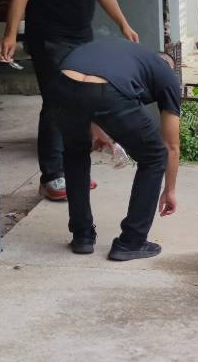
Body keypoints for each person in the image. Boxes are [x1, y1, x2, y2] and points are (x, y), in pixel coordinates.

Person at [0, 0, 139, 202]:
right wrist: (10, 34)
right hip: (48, 37)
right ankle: (52, 176)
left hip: (81, 36)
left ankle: (73, 171)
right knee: (58, 101)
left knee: (81, 101)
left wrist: (123, 24)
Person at [53, 38, 181, 261]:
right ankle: (132, 242)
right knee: (154, 156)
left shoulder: (128, 55)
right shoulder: (167, 74)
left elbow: (86, 86)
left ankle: (82, 236)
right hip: (105, 90)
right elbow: (171, 145)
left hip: (62, 84)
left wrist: (98, 130)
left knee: (75, 153)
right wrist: (169, 191)